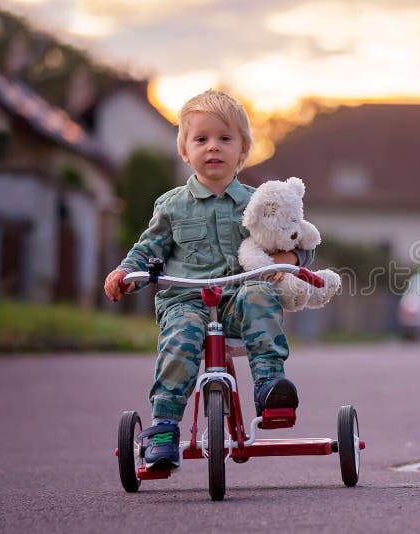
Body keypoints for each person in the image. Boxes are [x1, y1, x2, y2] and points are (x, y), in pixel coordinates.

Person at [103, 90, 311, 470]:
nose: (213, 148)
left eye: (224, 139)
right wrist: (125, 273)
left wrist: (290, 258)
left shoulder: (259, 202)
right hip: (186, 302)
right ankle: (164, 426)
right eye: (201, 139)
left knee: (260, 292)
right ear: (185, 150)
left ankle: (270, 387)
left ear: (243, 149)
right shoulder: (171, 205)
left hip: (236, 302)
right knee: (179, 340)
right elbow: (149, 249)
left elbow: (296, 236)